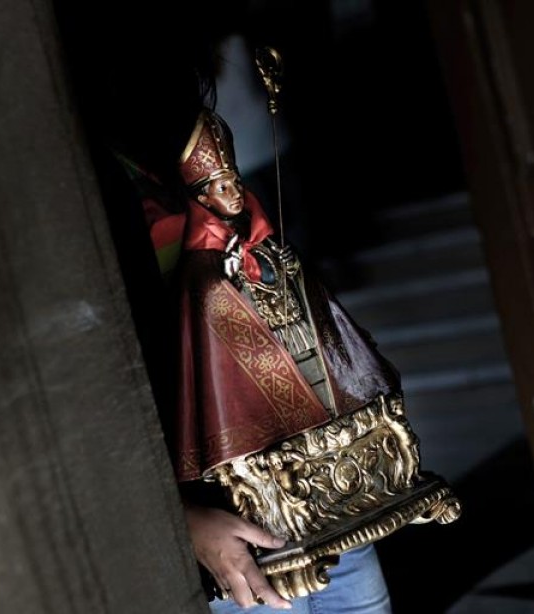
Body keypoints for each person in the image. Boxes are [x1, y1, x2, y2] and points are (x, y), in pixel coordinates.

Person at [150, 107, 397, 613]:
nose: (234, 194)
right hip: (224, 527)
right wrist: (181, 517)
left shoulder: (240, 229)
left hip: (326, 497)